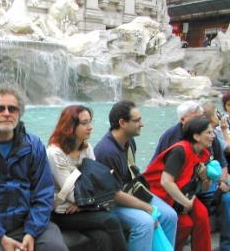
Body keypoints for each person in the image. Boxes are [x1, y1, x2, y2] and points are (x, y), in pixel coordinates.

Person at [0, 87, 68, 251]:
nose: (7, 113)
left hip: (26, 223)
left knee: (56, 247)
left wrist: (31, 231)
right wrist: (0, 236)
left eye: (12, 109)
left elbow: (43, 194)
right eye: (0, 108)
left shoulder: (34, 146)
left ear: (19, 114)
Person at [94, 100, 177, 251]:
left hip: (128, 192)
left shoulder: (130, 141)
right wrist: (146, 207)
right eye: (137, 120)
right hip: (109, 203)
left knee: (170, 216)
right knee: (145, 223)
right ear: (122, 123)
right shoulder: (106, 152)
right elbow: (113, 194)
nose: (142, 124)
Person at [47, 105, 127, 251]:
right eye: (84, 123)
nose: (90, 127)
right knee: (111, 220)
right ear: (69, 126)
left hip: (82, 208)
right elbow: (72, 194)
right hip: (63, 212)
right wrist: (84, 197)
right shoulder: (55, 153)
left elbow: (99, 183)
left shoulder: (87, 148)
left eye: (90, 122)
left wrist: (82, 203)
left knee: (103, 238)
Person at [143, 116, 214, 251]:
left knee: (202, 214)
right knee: (184, 223)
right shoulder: (180, 151)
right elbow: (165, 181)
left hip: (184, 195)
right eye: (209, 133)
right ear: (196, 136)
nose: (213, 136)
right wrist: (185, 202)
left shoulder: (203, 153)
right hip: (159, 194)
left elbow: (205, 187)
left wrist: (205, 177)